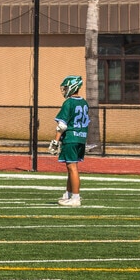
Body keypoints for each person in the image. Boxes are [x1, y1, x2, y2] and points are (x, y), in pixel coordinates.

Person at [50, 75, 89, 207]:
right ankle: (68, 194)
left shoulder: (69, 103)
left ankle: (75, 197)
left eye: (66, 87)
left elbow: (62, 125)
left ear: (72, 87)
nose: (64, 90)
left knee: (72, 168)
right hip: (81, 137)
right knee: (71, 168)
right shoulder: (84, 102)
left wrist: (55, 141)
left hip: (71, 138)